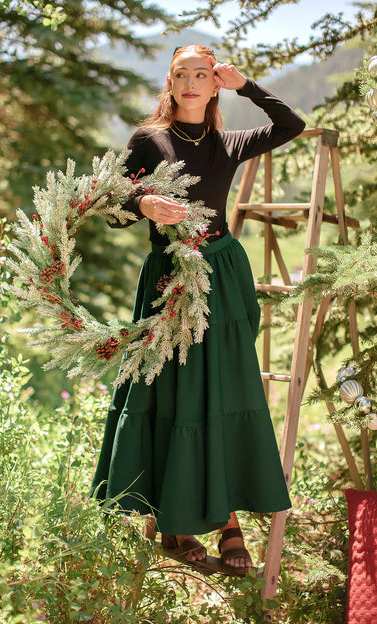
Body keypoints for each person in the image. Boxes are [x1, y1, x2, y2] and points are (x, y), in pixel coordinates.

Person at [90, 44, 305, 575]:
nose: (190, 82)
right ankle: (176, 521)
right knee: (174, 389)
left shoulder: (227, 143)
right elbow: (110, 205)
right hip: (168, 276)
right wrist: (143, 203)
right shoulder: (149, 140)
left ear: (214, 84)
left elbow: (291, 125)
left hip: (223, 274)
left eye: (201, 74)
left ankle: (228, 520)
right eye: (181, 74)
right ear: (169, 83)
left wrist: (247, 86)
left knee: (223, 389)